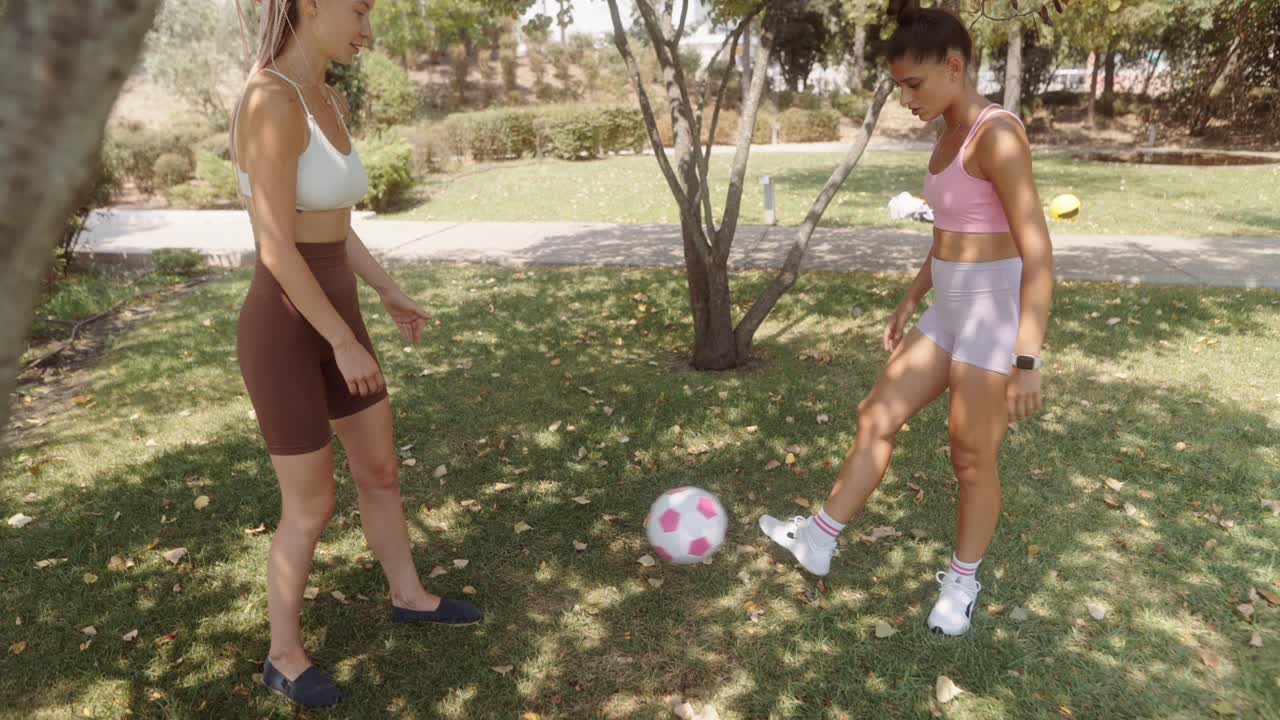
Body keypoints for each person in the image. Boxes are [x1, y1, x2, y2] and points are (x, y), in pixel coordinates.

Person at [758, 0, 1054, 638]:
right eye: (898, 87)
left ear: (954, 66)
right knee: (876, 415)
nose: (905, 99)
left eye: (913, 84)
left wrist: (1027, 358)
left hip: (992, 317)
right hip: (949, 307)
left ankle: (962, 585)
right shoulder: (945, 133)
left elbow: (1039, 254)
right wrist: (912, 297)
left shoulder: (997, 134)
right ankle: (819, 538)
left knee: (971, 457)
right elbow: (950, 233)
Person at [231, 0, 480, 707]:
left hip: (337, 314)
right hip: (284, 327)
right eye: (361, 9)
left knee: (380, 469)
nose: (369, 27)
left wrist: (390, 292)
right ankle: (283, 654)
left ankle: (409, 595)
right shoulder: (267, 100)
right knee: (310, 504)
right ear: (312, 4)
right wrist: (339, 339)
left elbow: (333, 228)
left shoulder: (326, 98)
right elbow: (278, 246)